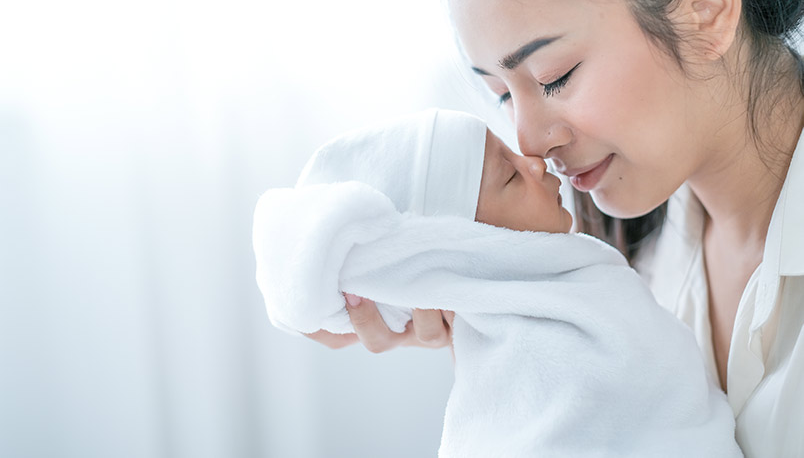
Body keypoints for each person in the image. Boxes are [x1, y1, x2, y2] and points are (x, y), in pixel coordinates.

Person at [307, 0, 804, 455]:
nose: (529, 142)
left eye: (554, 77)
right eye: (501, 96)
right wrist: (515, 368)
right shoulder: (615, 268)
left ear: (707, 7)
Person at [253, 108, 741, 457]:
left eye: (554, 76)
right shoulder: (525, 352)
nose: (535, 159)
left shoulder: (581, 280)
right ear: (466, 245)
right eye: (509, 177)